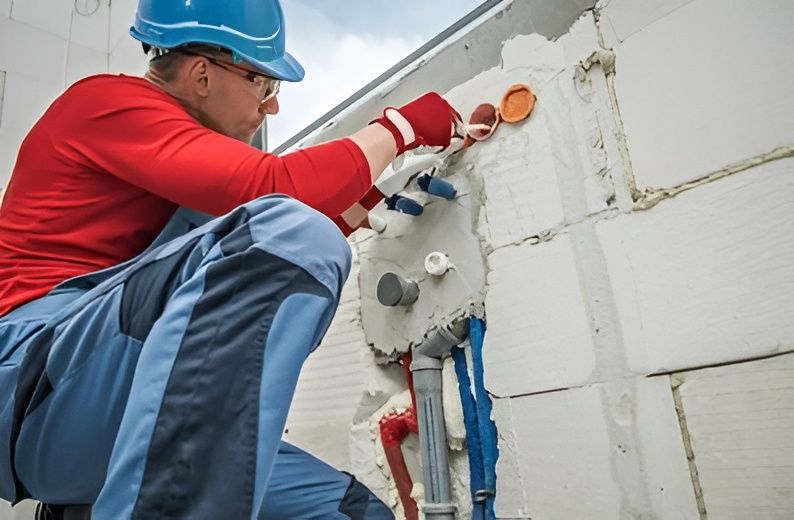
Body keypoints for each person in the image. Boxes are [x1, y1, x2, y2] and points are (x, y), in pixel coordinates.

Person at [0, 1, 460, 518]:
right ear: (202, 74)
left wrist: (368, 198)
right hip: (30, 380)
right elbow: (280, 197)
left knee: (347, 510)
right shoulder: (105, 103)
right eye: (264, 84)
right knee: (292, 232)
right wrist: (400, 128)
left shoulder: (177, 165)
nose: (272, 108)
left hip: (118, 401)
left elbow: (248, 266)